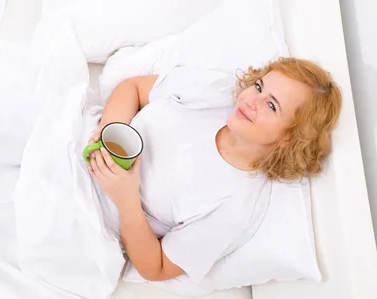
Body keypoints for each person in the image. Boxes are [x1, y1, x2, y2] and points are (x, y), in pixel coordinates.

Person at [86, 57, 342, 283]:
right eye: (259, 86)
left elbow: (157, 268)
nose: (252, 100)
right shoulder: (219, 92)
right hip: (78, 135)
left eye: (272, 106)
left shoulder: (236, 208)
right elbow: (133, 88)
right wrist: (111, 131)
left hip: (85, 213)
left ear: (290, 137)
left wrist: (126, 200)